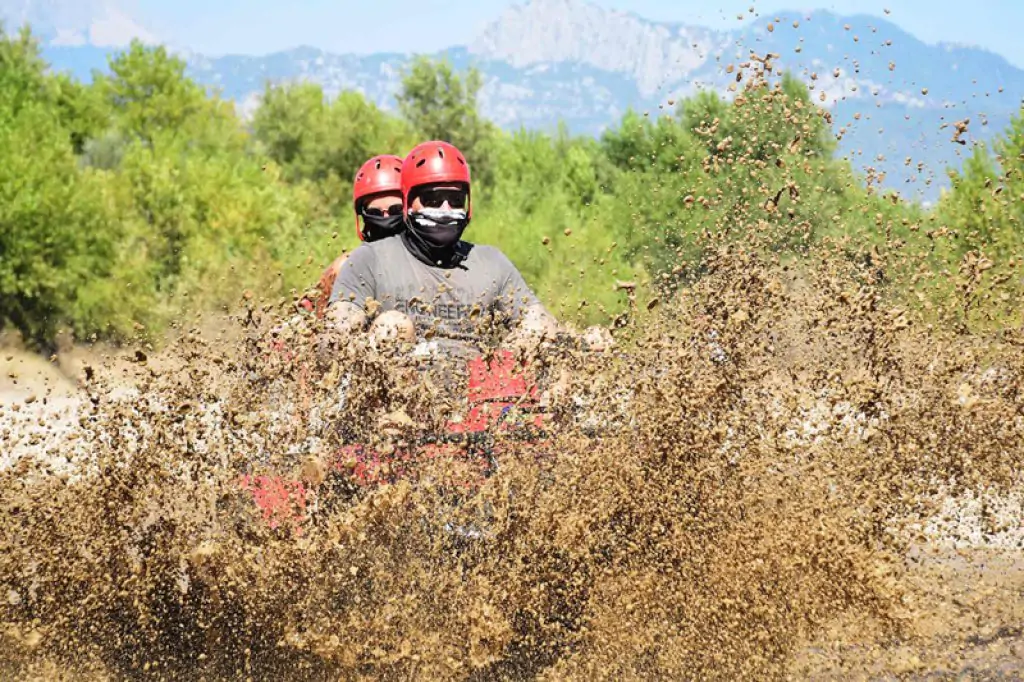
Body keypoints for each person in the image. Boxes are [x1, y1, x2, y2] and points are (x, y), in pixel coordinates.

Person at [325, 140, 559, 352]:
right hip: (399, 389)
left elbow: (538, 321)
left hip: (477, 390)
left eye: (456, 200)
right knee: (392, 327)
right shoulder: (370, 259)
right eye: (433, 200)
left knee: (557, 331)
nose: (446, 209)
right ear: (408, 204)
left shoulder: (491, 263)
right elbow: (338, 331)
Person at [297, 154, 406, 318]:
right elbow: (307, 320)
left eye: (395, 211)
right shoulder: (346, 267)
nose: (386, 219)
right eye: (375, 213)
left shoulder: (433, 263)